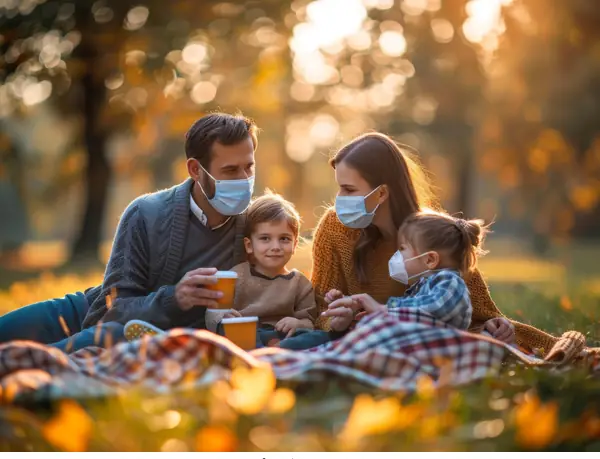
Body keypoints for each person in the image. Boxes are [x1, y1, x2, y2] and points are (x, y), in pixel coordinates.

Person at [0, 113, 258, 352]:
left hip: (124, 336)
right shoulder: (146, 213)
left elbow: (275, 298)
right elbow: (116, 307)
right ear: (195, 170)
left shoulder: (256, 228)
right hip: (88, 312)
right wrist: (174, 298)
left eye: (249, 167)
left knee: (39, 357)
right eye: (230, 171)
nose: (244, 179)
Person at [311, 132, 571, 355]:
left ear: (381, 193)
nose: (339, 199)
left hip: (421, 350)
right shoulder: (335, 229)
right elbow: (318, 310)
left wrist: (499, 328)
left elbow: (473, 315)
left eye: (349, 190)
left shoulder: (433, 235)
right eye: (339, 189)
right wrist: (337, 321)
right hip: (360, 344)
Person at [124, 192, 328, 350]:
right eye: (265, 238)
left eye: (284, 239)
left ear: (294, 244)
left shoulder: (299, 283)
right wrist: (222, 318)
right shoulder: (236, 276)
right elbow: (212, 316)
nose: (275, 246)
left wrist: (297, 322)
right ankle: (172, 343)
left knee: (319, 337)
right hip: (243, 337)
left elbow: (309, 321)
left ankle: (263, 355)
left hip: (281, 339)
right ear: (249, 245)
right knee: (219, 336)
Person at [326, 209, 490, 331]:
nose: (397, 255)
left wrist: (384, 310)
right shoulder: (420, 287)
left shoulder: (450, 282)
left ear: (430, 259)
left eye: (403, 249)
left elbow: (434, 309)